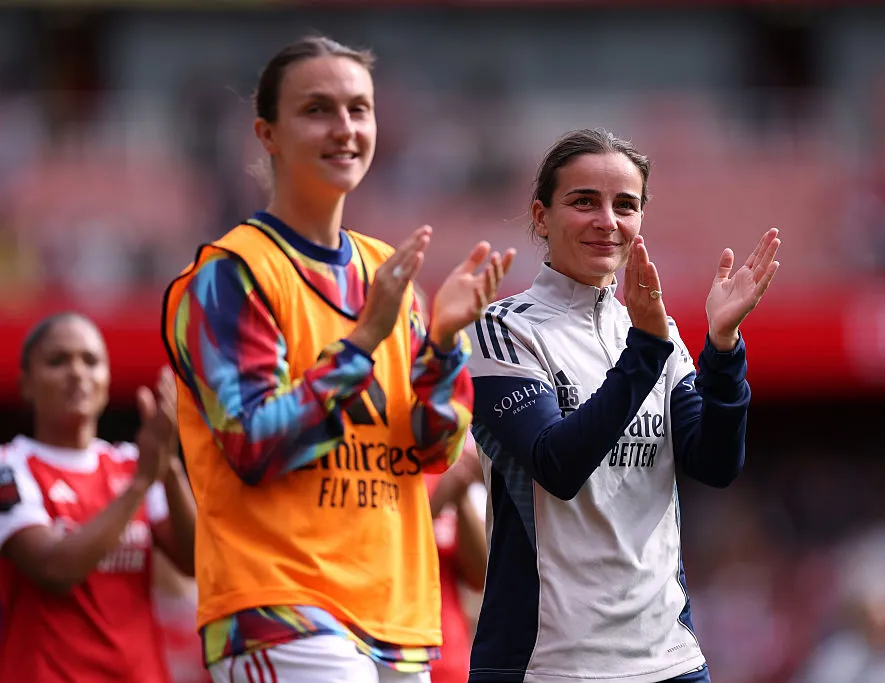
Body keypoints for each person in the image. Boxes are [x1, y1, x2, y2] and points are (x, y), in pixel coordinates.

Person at [161, 36, 515, 683]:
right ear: (266, 133)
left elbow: (433, 449)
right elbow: (252, 443)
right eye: (318, 109)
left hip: (395, 612)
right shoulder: (231, 272)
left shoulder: (390, 272)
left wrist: (442, 342)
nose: (345, 128)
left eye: (360, 108)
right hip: (282, 607)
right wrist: (362, 340)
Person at [466, 128, 781, 683]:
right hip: (550, 663)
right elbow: (555, 466)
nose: (607, 220)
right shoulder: (503, 329)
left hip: (670, 659)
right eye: (583, 201)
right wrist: (645, 351)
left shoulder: (656, 334)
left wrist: (724, 349)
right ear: (541, 217)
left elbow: (714, 462)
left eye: (625, 205)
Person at [0, 312, 195, 682]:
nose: (77, 372)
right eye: (58, 361)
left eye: (91, 361)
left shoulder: (130, 463)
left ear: (107, 379)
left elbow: (198, 562)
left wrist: (168, 464)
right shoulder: (10, 466)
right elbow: (54, 569)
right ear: (25, 384)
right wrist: (139, 484)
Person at [426, 432, 488, 683]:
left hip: (449, 660)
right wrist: (437, 502)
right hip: (386, 655)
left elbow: (480, 576)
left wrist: (459, 492)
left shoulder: (456, 460)